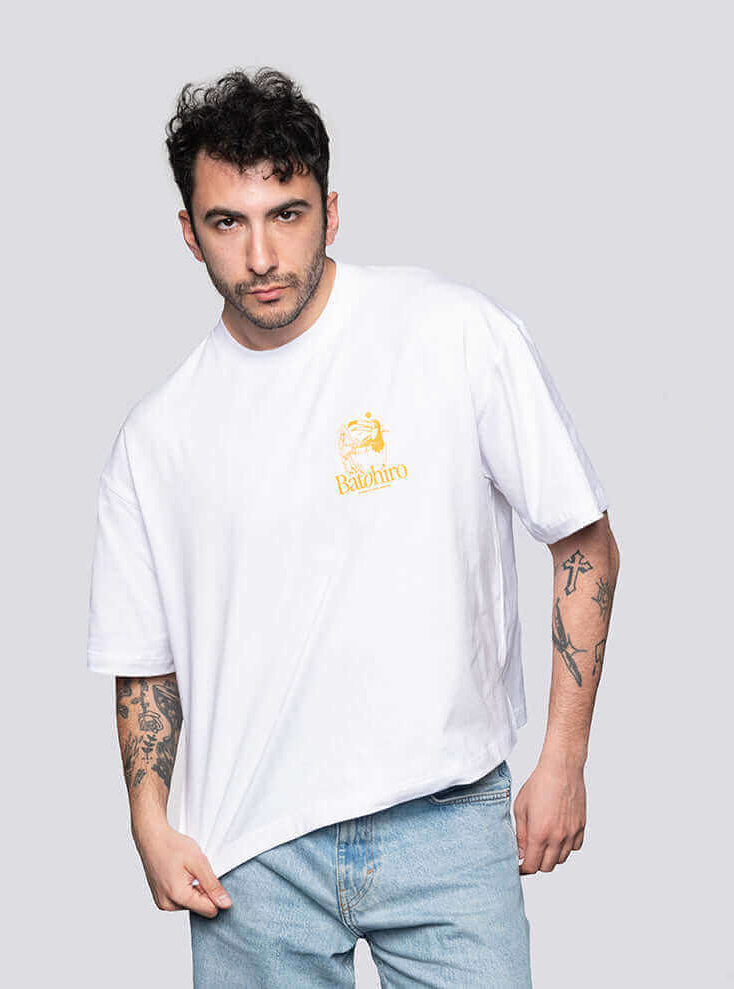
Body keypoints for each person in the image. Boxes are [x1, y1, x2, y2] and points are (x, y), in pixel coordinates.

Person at [86, 66, 620, 988]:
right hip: (251, 855)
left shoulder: (452, 333)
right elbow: (145, 656)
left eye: (286, 214)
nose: (261, 255)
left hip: (445, 821)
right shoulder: (156, 437)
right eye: (228, 222)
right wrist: (148, 820)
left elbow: (584, 543)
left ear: (330, 212)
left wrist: (563, 759)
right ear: (188, 232)